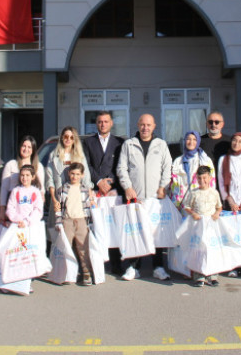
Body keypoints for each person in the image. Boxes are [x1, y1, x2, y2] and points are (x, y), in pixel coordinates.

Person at [116, 113, 172, 281]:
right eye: (142, 124)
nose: (145, 128)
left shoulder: (161, 145)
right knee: (136, 232)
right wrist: (128, 187)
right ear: (138, 125)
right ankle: (134, 267)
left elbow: (167, 168)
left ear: (154, 126)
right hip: (137, 198)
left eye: (148, 125)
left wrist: (163, 187)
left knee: (157, 234)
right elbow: (121, 168)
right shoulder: (129, 144)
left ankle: (158, 267)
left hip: (156, 198)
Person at [82, 111, 125, 274]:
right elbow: (87, 165)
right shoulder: (88, 142)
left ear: (111, 123)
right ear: (96, 124)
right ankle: (96, 262)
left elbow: (122, 164)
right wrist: (99, 181)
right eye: (100, 122)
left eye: (106, 121)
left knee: (114, 227)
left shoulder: (120, 142)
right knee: (97, 227)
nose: (103, 124)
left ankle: (116, 263)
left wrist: (111, 181)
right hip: (96, 190)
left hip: (113, 190)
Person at [217, 132, 241, 278]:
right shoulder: (224, 159)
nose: (236, 143)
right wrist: (230, 201)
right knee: (232, 237)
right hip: (230, 204)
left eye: (240, 141)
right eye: (234, 140)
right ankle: (233, 266)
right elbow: (221, 182)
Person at [55, 162, 97, 286]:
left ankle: (86, 273)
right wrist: (59, 222)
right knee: (66, 248)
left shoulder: (85, 189)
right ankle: (66, 273)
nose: (74, 176)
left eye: (77, 174)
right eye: (72, 174)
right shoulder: (63, 189)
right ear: (68, 173)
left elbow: (89, 206)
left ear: (82, 175)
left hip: (81, 220)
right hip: (67, 220)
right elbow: (59, 208)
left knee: (83, 247)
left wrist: (90, 223)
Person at [182, 166, 222, 287]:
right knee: (199, 251)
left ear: (209, 178)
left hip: (211, 227)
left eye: (205, 178)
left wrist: (217, 213)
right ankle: (199, 276)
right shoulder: (194, 193)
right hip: (198, 227)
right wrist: (193, 213)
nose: (202, 181)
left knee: (211, 250)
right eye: (199, 178)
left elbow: (219, 207)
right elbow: (187, 206)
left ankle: (212, 276)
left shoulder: (214, 193)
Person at [0, 136, 45, 222]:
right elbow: (4, 189)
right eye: (24, 146)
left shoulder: (39, 167)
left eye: (29, 147)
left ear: (33, 150)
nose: (26, 149)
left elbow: (41, 190)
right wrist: (2, 210)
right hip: (14, 208)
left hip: (30, 210)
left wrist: (36, 214)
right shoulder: (11, 165)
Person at [168, 130, 216, 212]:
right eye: (188, 139)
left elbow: (211, 183)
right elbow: (174, 184)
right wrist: (175, 203)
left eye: (194, 139)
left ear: (198, 142)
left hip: (200, 205)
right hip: (182, 207)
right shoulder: (178, 161)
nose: (191, 142)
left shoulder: (205, 160)